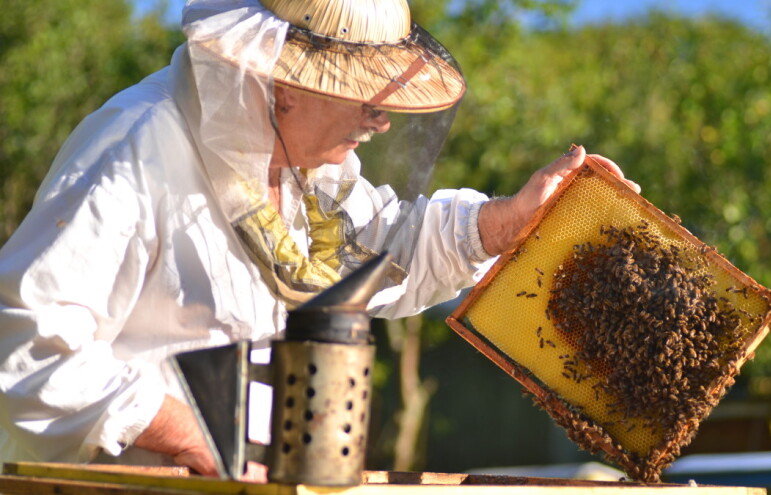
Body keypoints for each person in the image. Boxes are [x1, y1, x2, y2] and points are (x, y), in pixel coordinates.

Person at [0, 0, 639, 481]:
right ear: (287, 85)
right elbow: (23, 342)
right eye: (361, 91)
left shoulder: (307, 171)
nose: (381, 118)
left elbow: (380, 253)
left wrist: (507, 223)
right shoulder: (134, 148)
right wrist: (187, 429)